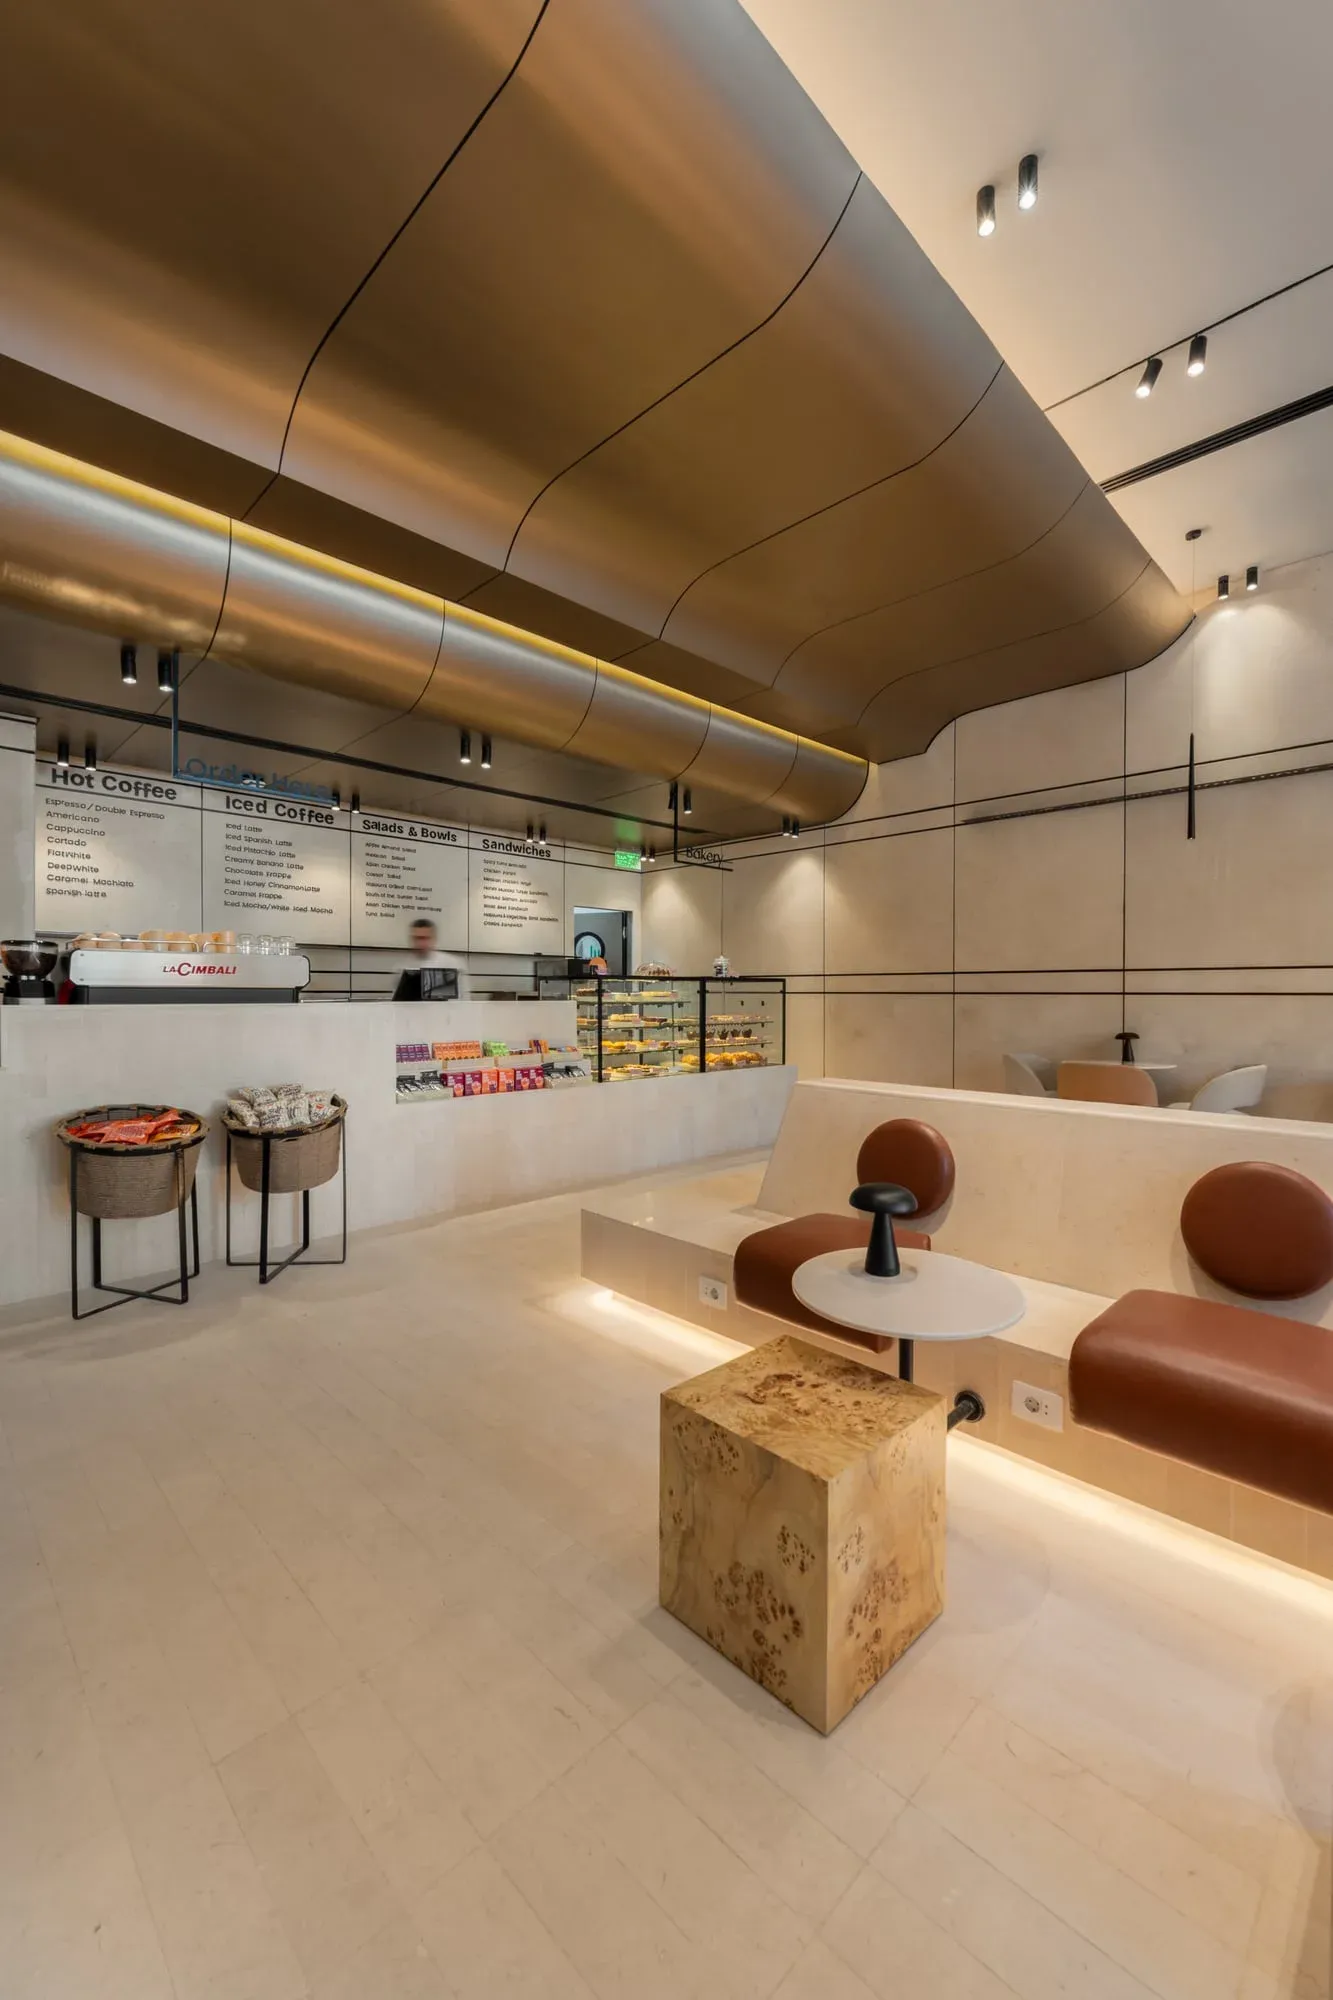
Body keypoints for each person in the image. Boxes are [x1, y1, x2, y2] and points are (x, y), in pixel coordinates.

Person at [398, 917, 470, 999]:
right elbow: (397, 1001)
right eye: (417, 938)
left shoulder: (453, 964)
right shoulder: (402, 967)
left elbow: (465, 999)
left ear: (434, 939)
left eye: (425, 938)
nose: (421, 943)